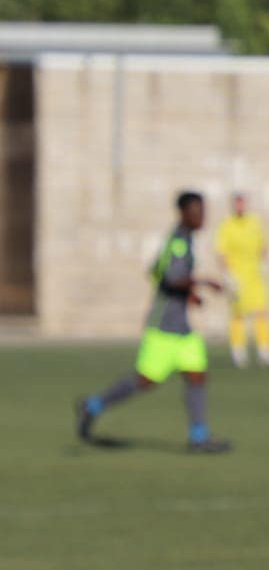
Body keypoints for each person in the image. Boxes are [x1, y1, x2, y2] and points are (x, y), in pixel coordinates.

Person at [74, 191, 231, 453]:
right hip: (164, 326)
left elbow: (155, 270)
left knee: (197, 375)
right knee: (145, 381)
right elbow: (170, 277)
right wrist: (203, 282)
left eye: (203, 210)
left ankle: (199, 437)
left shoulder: (183, 240)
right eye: (197, 211)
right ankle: (93, 406)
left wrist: (189, 294)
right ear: (183, 213)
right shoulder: (179, 242)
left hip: (182, 328)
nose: (202, 216)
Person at [215, 192, 269, 368]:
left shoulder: (255, 222)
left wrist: (263, 264)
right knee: (238, 314)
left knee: (262, 312)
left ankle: (265, 351)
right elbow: (222, 252)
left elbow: (263, 245)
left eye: (242, 203)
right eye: (237, 204)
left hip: (255, 275)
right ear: (233, 205)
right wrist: (228, 275)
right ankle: (239, 352)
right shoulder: (227, 225)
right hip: (237, 276)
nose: (240, 207)